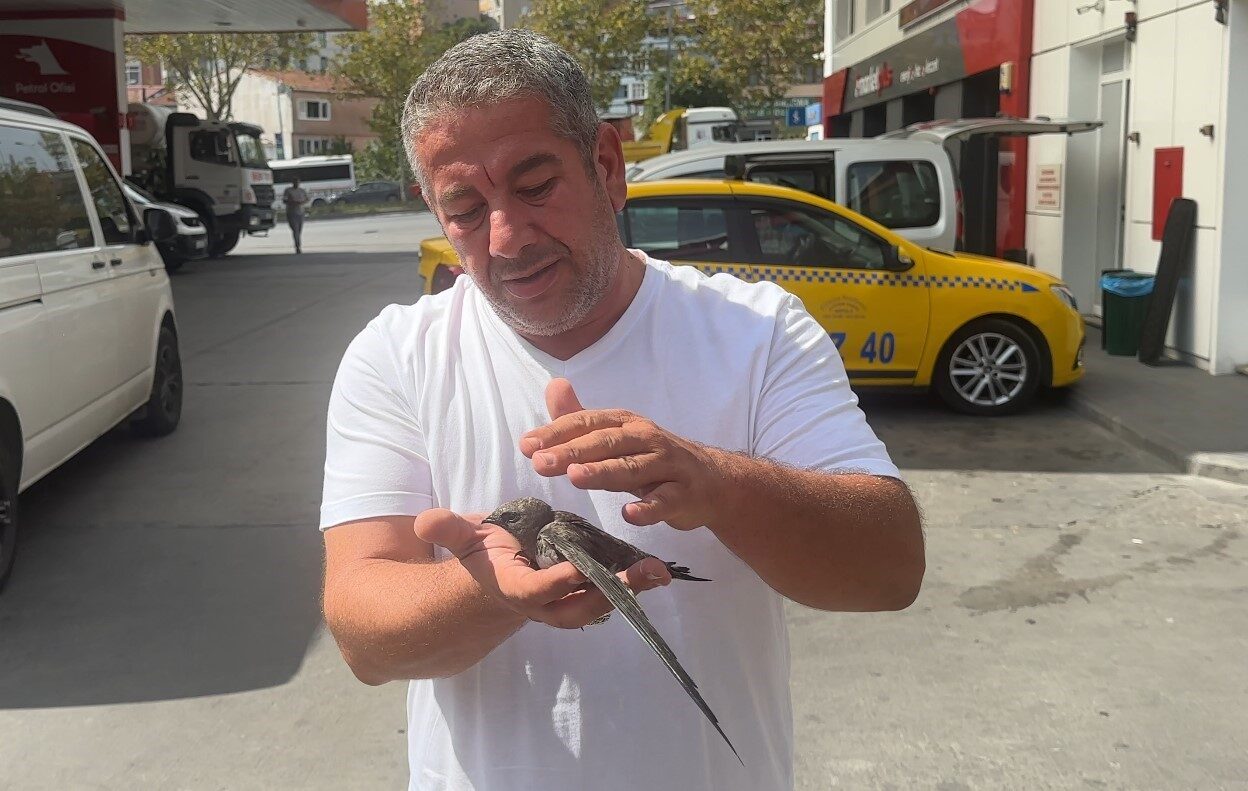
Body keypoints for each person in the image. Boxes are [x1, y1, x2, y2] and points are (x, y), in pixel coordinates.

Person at [320, 30, 924, 791]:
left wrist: (719, 485)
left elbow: (890, 568)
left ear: (606, 166)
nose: (506, 237)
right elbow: (362, 636)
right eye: (466, 208)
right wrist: (486, 593)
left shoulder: (757, 330)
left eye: (535, 184)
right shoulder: (396, 358)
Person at [282, 176, 308, 253]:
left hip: (301, 212)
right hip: (291, 212)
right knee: (295, 230)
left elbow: (307, 198)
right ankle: (298, 246)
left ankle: (298, 244)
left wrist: (302, 202)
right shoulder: (288, 190)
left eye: (298, 182)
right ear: (292, 183)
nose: (297, 184)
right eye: (295, 182)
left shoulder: (302, 190)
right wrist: (293, 202)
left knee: (299, 231)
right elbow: (285, 200)